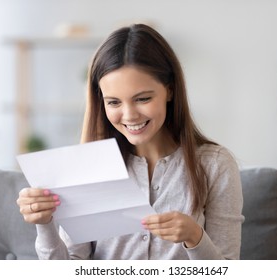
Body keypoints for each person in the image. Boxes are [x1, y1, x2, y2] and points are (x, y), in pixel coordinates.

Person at [17, 23, 244, 260]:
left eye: (143, 98)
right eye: (114, 102)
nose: (129, 115)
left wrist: (194, 237)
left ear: (170, 90)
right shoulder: (90, 167)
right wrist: (44, 224)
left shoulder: (215, 165)